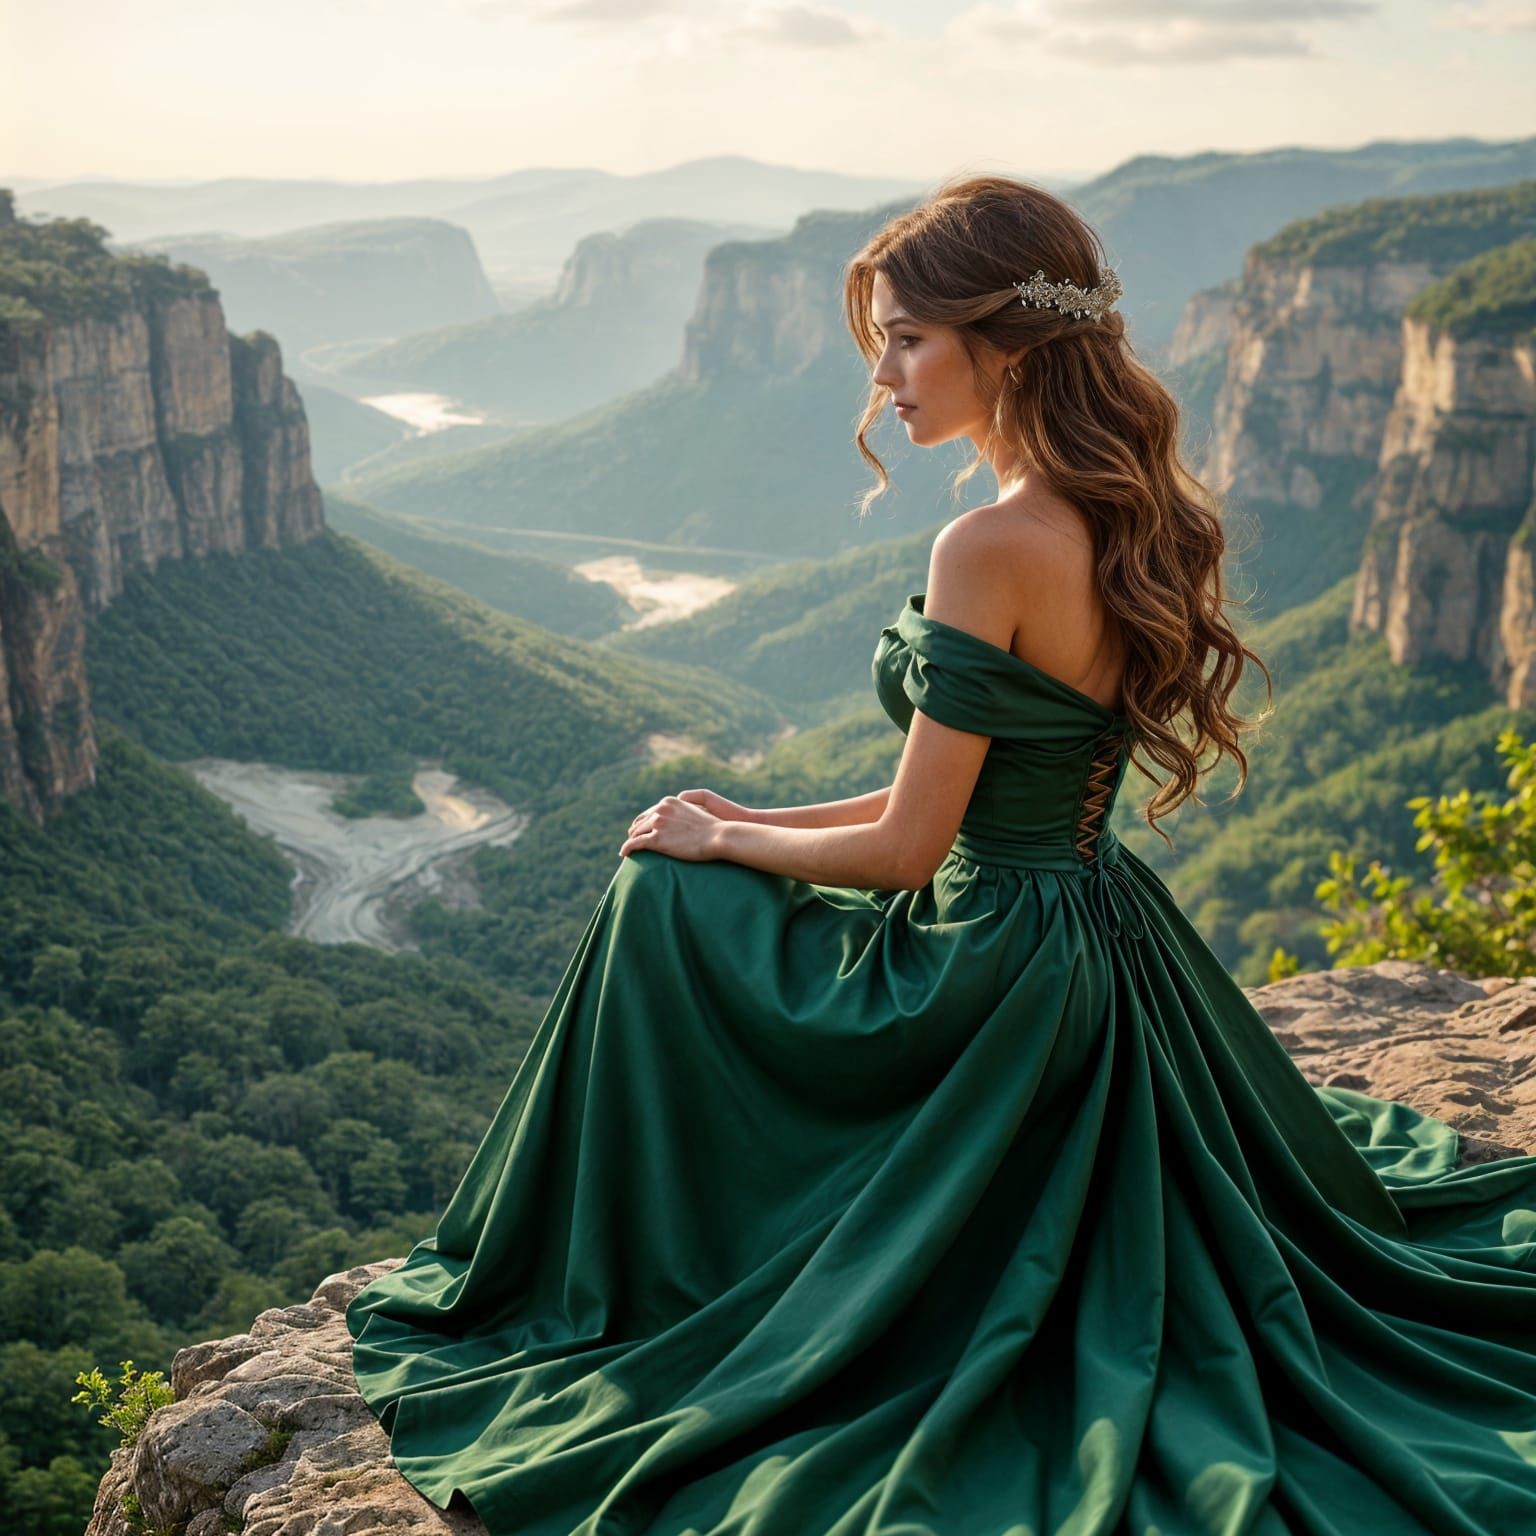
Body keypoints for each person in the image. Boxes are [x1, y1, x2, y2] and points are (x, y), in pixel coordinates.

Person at [346, 175, 1536, 1535]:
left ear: (1007, 345)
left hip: (988, 973)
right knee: (690, 851)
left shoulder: (986, 543)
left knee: (659, 897)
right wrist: (742, 813)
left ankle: (631, 1270)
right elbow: (964, 798)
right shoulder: (1115, 508)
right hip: (1091, 941)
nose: (883, 372)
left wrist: (715, 843)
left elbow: (917, 850)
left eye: (910, 337)